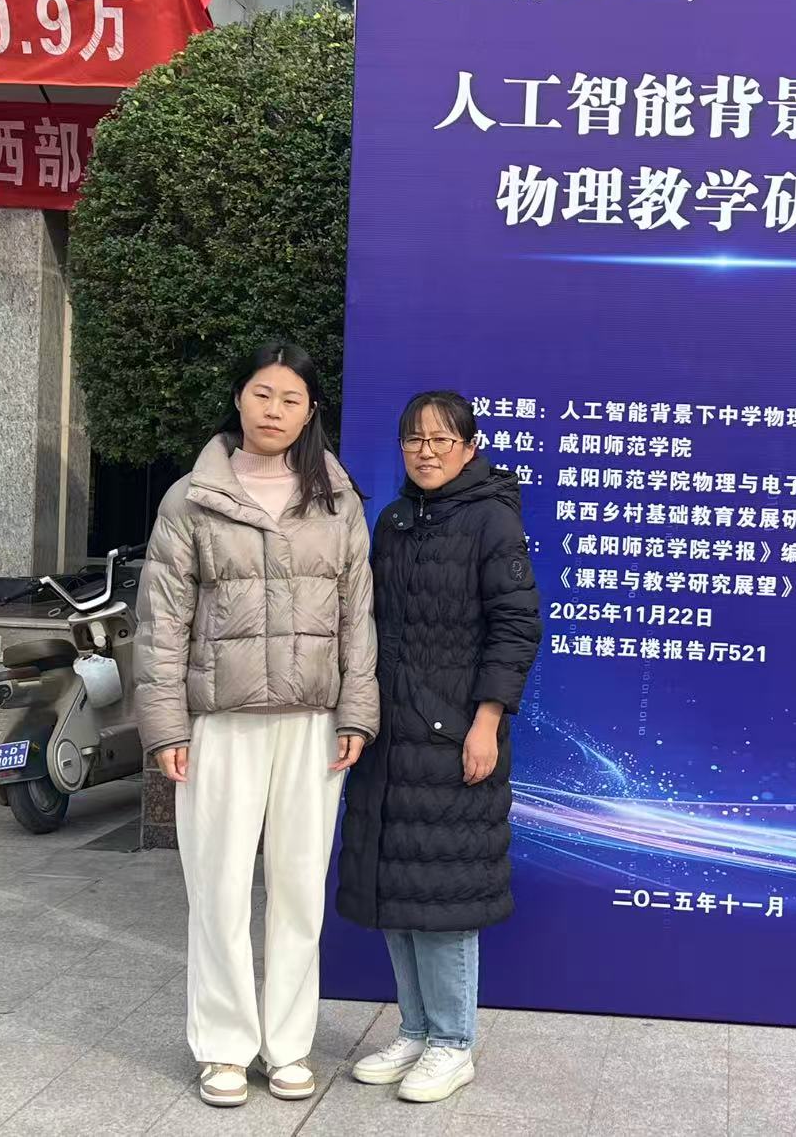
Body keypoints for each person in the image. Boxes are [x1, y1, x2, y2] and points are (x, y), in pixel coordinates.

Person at [132, 342, 378, 1109]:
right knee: (218, 887)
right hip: (221, 720)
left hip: (313, 722)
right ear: (238, 398)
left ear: (311, 412)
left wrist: (358, 709)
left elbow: (358, 618)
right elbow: (161, 623)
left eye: (291, 398)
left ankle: (290, 1045)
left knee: (300, 889)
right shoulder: (191, 500)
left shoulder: (338, 500)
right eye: (262, 393)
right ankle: (224, 1047)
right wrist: (165, 726)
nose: (275, 409)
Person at [337, 390, 542, 1104]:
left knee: (445, 896)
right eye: (414, 440)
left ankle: (454, 1043)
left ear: (470, 447)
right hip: (392, 736)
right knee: (397, 891)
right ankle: (416, 1029)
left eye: (441, 440)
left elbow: (515, 627)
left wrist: (486, 722)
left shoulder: (492, 520)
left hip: (456, 735)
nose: (426, 452)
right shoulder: (395, 521)